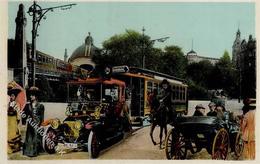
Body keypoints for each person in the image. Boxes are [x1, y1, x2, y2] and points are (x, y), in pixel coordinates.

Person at [23, 86, 45, 157]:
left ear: (36, 96)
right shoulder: (27, 105)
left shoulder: (41, 106)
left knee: (36, 137)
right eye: (30, 95)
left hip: (37, 124)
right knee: (29, 138)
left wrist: (41, 124)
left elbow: (42, 116)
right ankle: (29, 152)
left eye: (32, 95)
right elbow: (24, 115)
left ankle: (35, 151)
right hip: (30, 124)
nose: (31, 96)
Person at [7, 87, 22, 153]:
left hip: (14, 120)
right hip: (9, 119)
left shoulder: (17, 104)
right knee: (9, 133)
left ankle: (16, 147)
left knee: (14, 133)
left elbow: (18, 113)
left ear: (15, 97)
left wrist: (18, 119)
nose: (11, 97)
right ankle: (10, 146)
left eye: (13, 96)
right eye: (11, 96)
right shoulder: (8, 103)